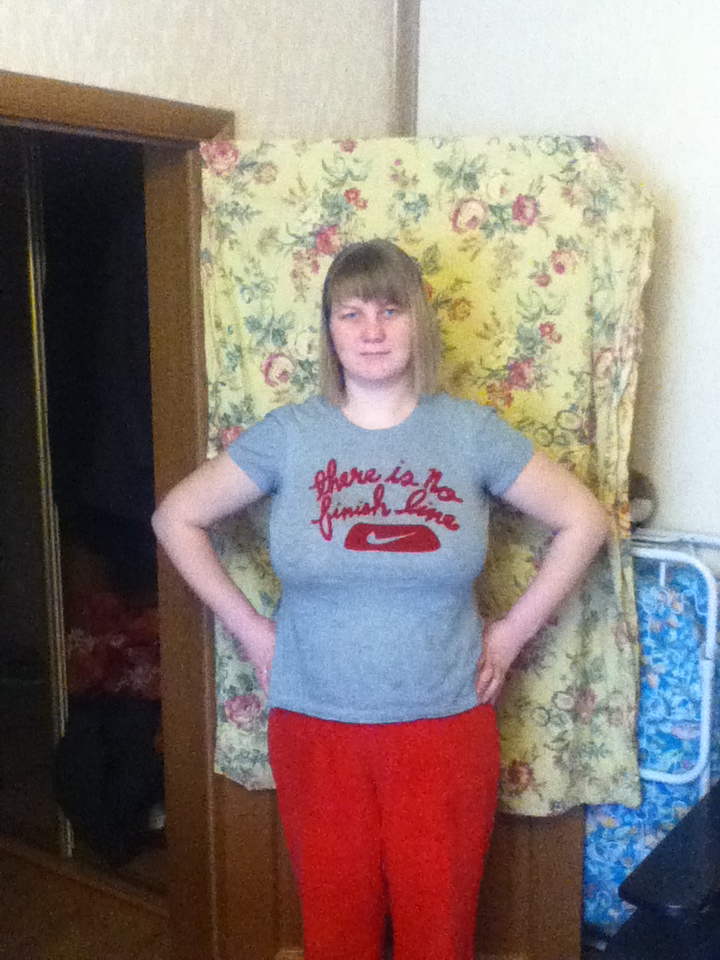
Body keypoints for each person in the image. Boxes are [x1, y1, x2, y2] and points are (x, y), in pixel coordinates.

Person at [152, 239, 608, 960]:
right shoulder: (291, 436)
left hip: (444, 729)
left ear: (418, 319)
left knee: (440, 938)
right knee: (337, 938)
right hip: (315, 728)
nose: (371, 330)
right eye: (351, 313)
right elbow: (175, 516)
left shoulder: (469, 432)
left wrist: (511, 633)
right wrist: (251, 630)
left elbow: (584, 518)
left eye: (390, 310)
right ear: (329, 329)